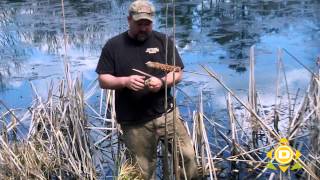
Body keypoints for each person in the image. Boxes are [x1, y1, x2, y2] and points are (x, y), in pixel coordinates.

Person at [96, 0, 199, 179]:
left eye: (147, 23)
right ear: (129, 20)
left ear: (152, 21)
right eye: (139, 23)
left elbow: (177, 73)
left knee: (188, 157)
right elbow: (103, 80)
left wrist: (161, 82)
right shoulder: (114, 45)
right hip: (135, 122)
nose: (143, 28)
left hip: (166, 115)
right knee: (142, 172)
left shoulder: (163, 41)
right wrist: (124, 81)